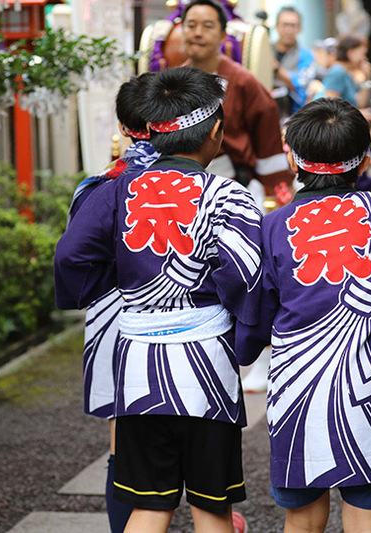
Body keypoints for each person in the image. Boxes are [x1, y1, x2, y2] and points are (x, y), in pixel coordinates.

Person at [54, 67, 261, 533]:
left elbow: (71, 255)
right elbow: (247, 276)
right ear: (214, 133)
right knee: (212, 507)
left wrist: (113, 281)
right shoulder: (230, 195)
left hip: (136, 367)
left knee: (150, 505)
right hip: (207, 365)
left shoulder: (115, 189)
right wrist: (244, 337)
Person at [236, 98, 371, 533]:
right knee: (367, 516)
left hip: (297, 396)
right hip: (368, 395)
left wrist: (243, 347)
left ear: (292, 157)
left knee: (303, 517)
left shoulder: (273, 226)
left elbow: (255, 318)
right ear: (364, 160)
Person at [65, 73, 161, 533]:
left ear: (124, 128)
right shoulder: (195, 183)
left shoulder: (102, 184)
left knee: (123, 440)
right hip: (190, 325)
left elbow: (72, 256)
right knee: (195, 444)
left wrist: (79, 298)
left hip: (115, 318)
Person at [181, 0, 293, 198]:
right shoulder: (173, 81)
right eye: (190, 25)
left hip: (234, 188)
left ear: (223, 35)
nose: (197, 33)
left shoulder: (242, 82)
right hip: (181, 188)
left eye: (207, 26)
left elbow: (267, 137)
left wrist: (274, 188)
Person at [320, 33, 371, 121]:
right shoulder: (337, 72)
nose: (364, 58)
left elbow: (360, 103)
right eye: (362, 54)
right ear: (350, 52)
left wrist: (366, 78)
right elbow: (330, 107)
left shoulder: (348, 74)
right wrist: (357, 115)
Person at [272, 5, 314, 119]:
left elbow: (300, 85)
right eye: (285, 25)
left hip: (292, 115)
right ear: (277, 26)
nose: (288, 30)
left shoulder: (306, 55)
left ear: (299, 29)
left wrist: (277, 69)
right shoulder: (266, 49)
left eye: (293, 26)